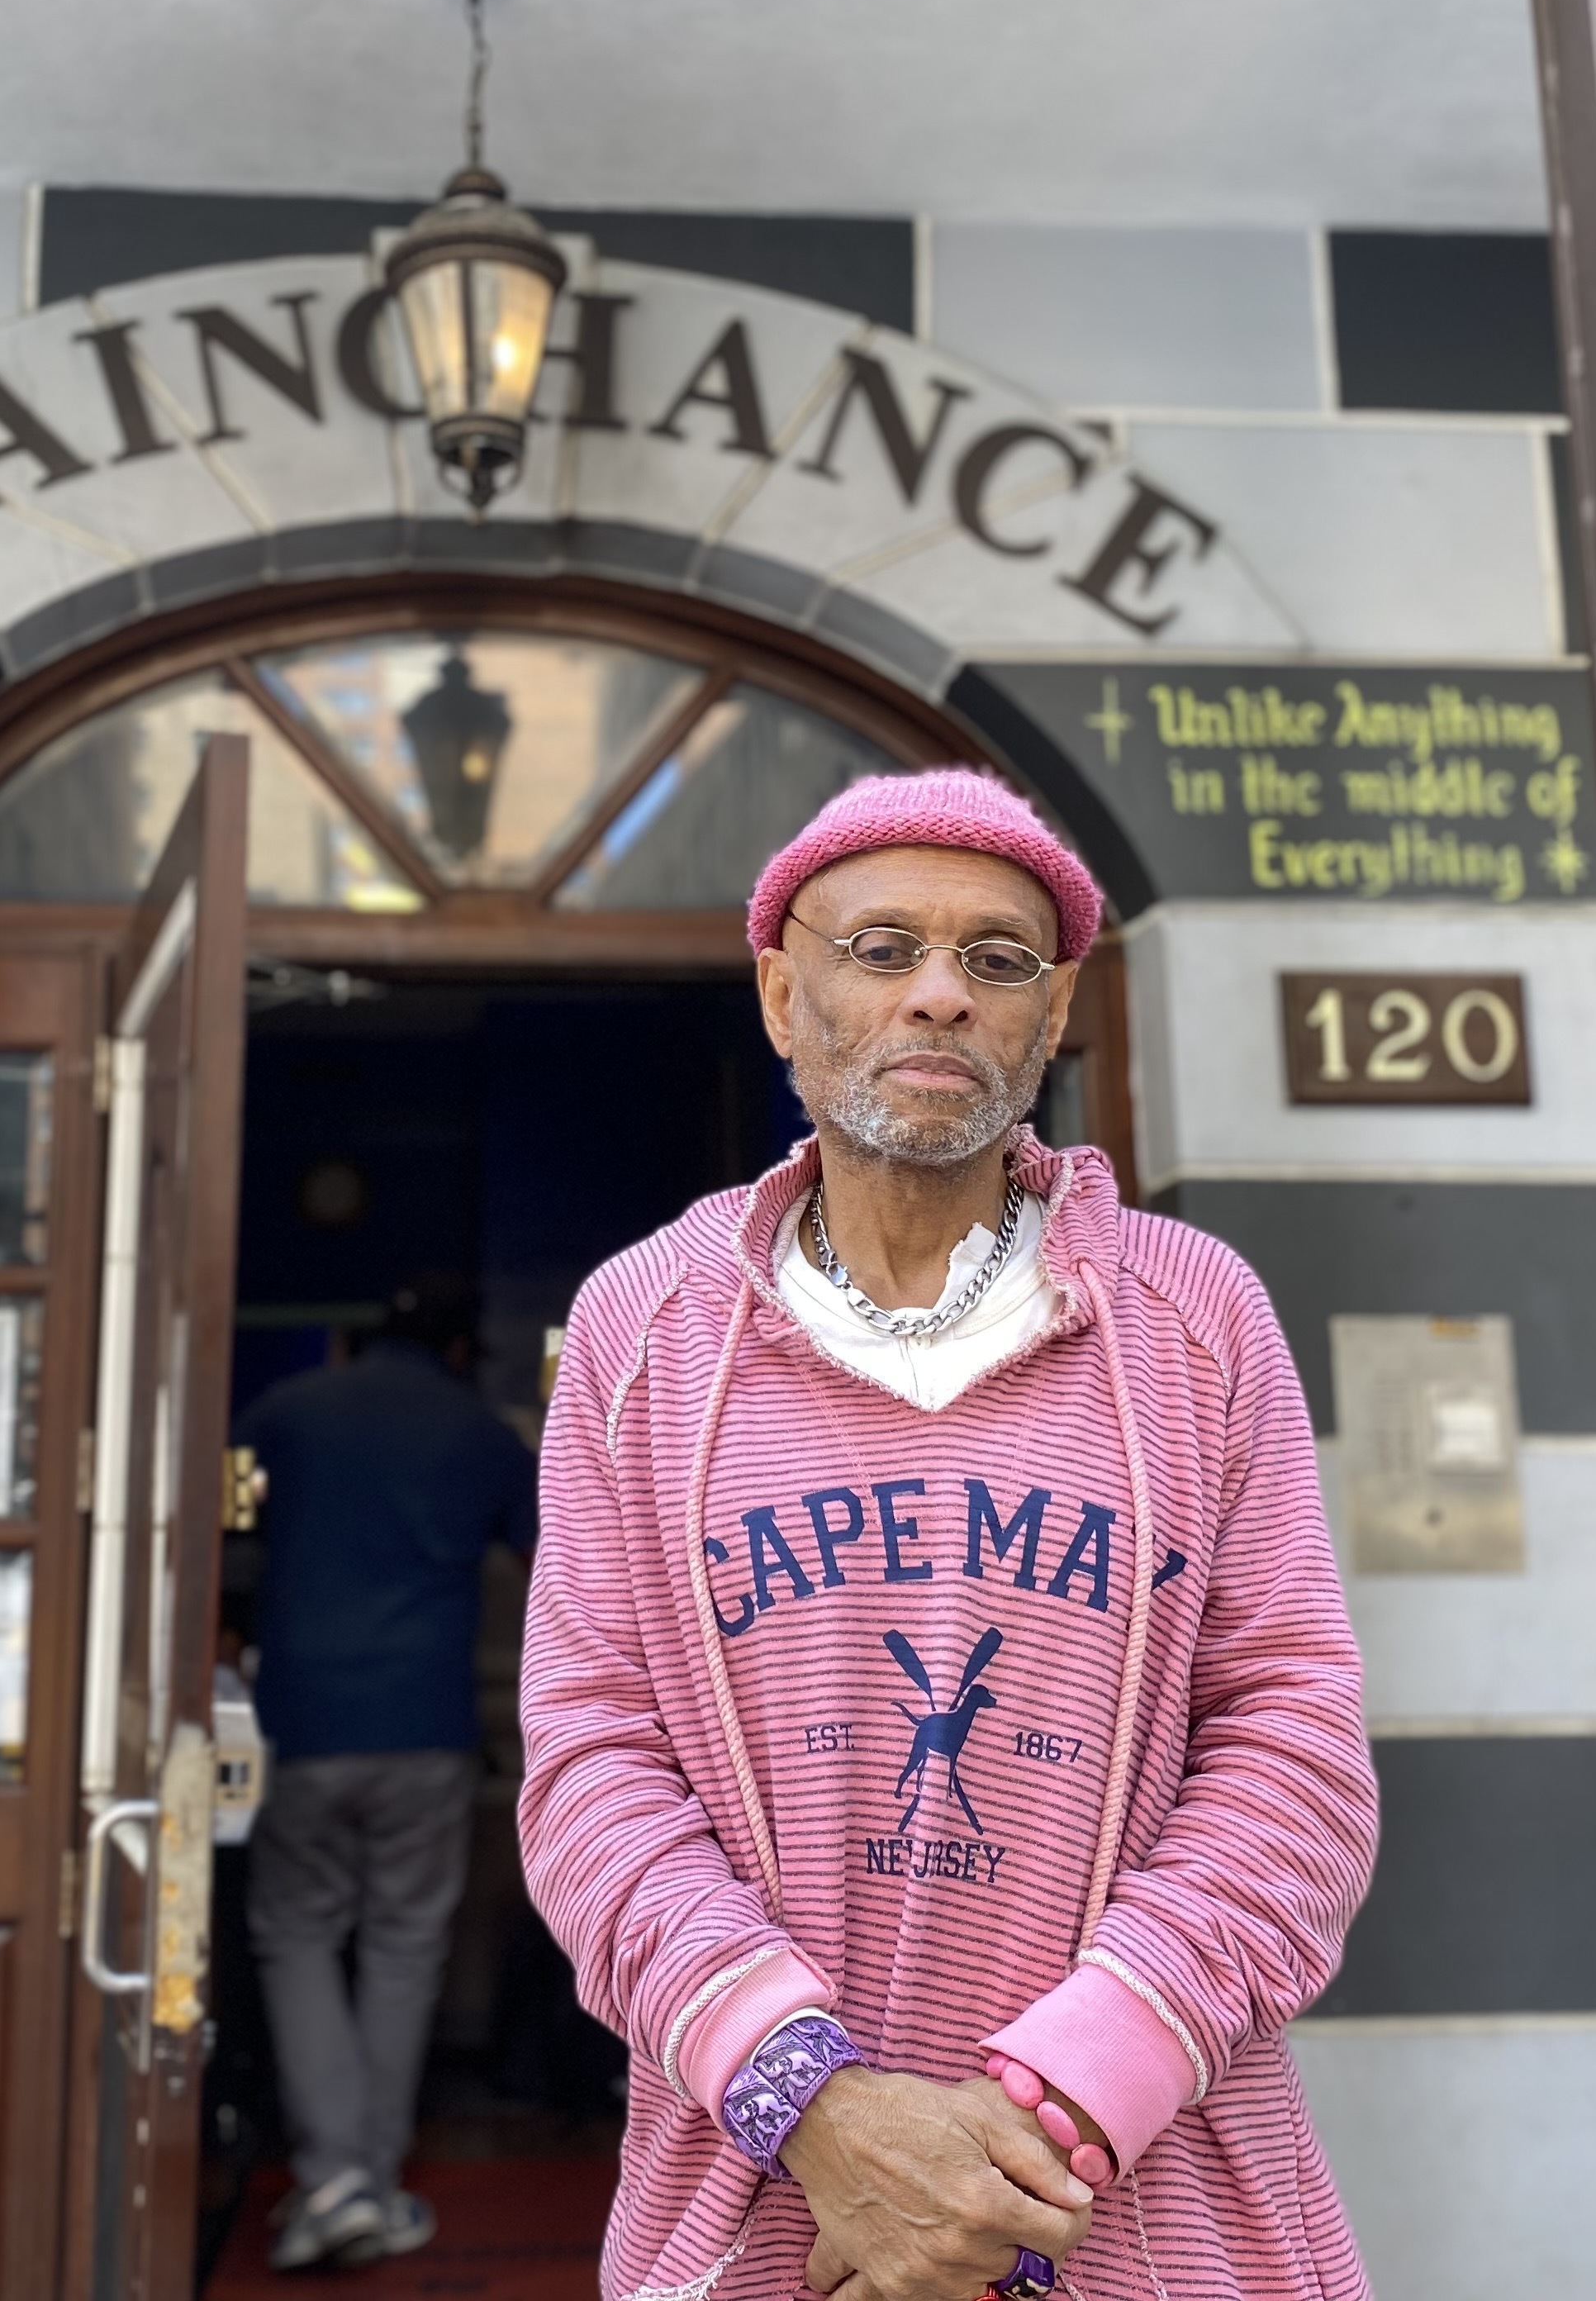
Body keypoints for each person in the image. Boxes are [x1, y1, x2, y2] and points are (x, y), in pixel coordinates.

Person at [519, 768, 1377, 2301]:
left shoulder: (1196, 1318)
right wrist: (822, 2111)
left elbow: (1290, 1751)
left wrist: (1028, 2130)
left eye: (995, 960)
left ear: (1050, 1019)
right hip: (761, 2203)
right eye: (881, 946)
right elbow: (593, 1764)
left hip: (1145, 2215)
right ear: (783, 995)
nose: (939, 993)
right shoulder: (637, 1325)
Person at [239, 1269, 538, 2270]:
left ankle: (335, 2176)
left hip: (302, 1723)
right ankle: (365, 2174)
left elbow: (225, 1541)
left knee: (296, 1933)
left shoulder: (286, 1411)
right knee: (406, 1945)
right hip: (427, 1727)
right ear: (461, 1350)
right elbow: (563, 1570)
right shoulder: (482, 1433)